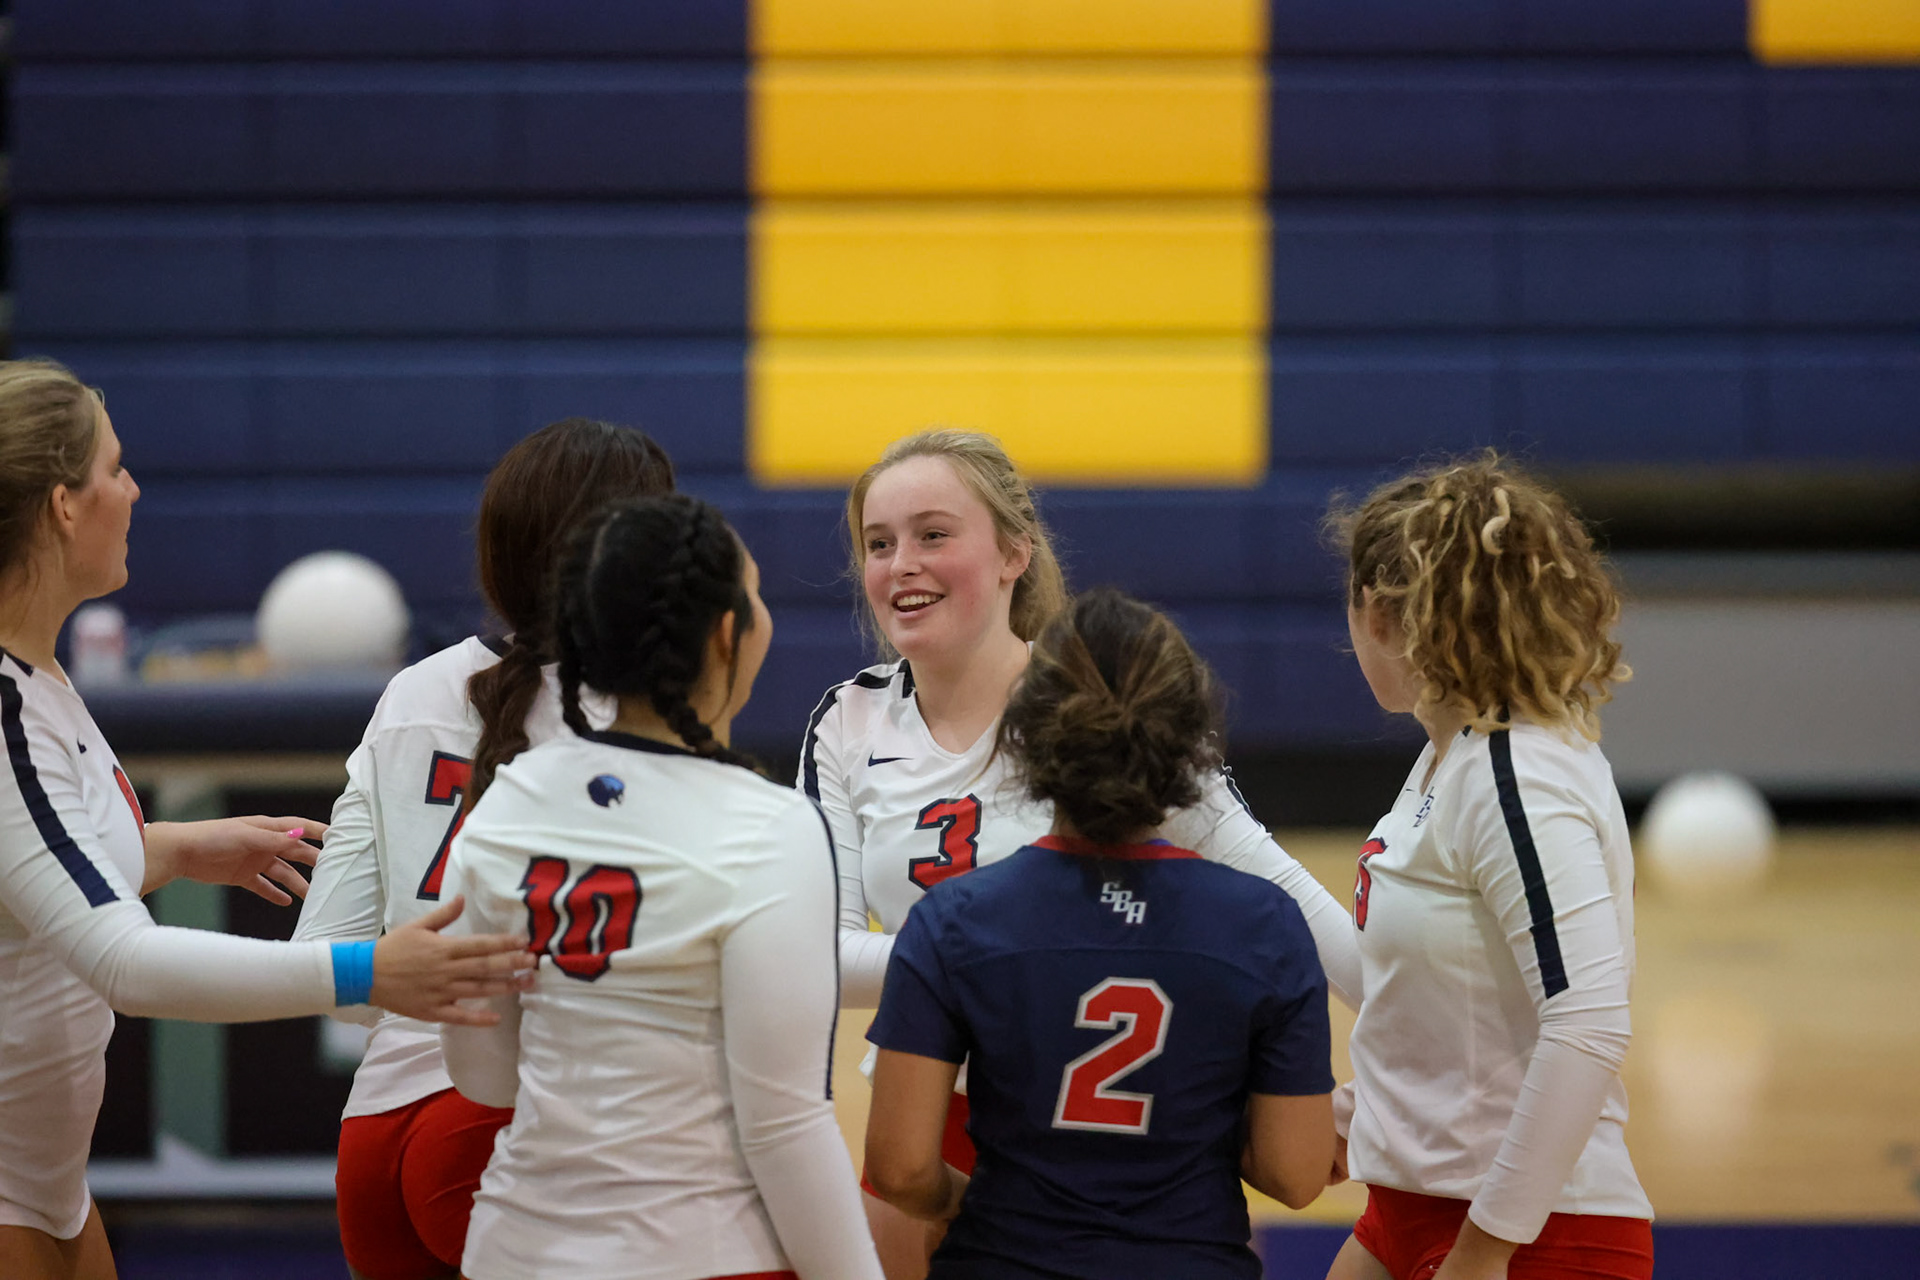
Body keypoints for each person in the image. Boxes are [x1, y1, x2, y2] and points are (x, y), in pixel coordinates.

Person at [0, 358, 534, 1280]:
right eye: (114, 469)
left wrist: (172, 847)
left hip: (48, 1179)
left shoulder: (40, 680)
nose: (133, 489)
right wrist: (371, 967)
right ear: (61, 505)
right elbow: (123, 960)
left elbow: (38, 871)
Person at [796, 428, 1362, 1276]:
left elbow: (1277, 885)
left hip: (1128, 1114)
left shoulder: (1099, 699)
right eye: (879, 545)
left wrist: (1405, 1071)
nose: (900, 564)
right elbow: (819, 960)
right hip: (930, 1113)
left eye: (933, 535)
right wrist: (979, 964)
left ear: (1014, 552)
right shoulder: (848, 719)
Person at [439, 494, 884, 1280]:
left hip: (512, 1248)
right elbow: (784, 1126)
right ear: (726, 632)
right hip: (700, 1254)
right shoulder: (770, 827)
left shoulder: (505, 797)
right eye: (755, 594)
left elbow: (481, 1070)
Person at [291, 418, 675, 1280]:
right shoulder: (643, 719)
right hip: (517, 1122)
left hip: (374, 1145)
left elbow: (326, 960)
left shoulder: (411, 690)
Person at [864, 587, 1337, 1279]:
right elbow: (1295, 1176)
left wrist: (964, 1204)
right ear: (1189, 740)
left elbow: (900, 1168)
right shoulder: (1264, 926)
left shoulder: (952, 921)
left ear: (1022, 736)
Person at [1324, 456, 1654, 1280]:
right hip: (1411, 1212)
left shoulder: (1518, 775)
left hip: (1535, 1237)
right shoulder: (1452, 760)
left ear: (1381, 612)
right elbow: (1419, 985)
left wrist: (1484, 1252)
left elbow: (1587, 1023)